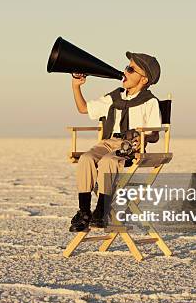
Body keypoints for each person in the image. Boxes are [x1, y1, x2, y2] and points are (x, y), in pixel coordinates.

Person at [69, 51, 162, 232]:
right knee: (86, 158)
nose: (124, 72)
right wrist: (76, 86)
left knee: (109, 161)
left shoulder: (149, 102)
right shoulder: (114, 97)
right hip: (108, 141)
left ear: (144, 79)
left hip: (130, 147)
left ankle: (102, 211)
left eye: (130, 69)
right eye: (126, 67)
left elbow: (155, 134)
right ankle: (85, 211)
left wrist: (139, 136)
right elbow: (83, 108)